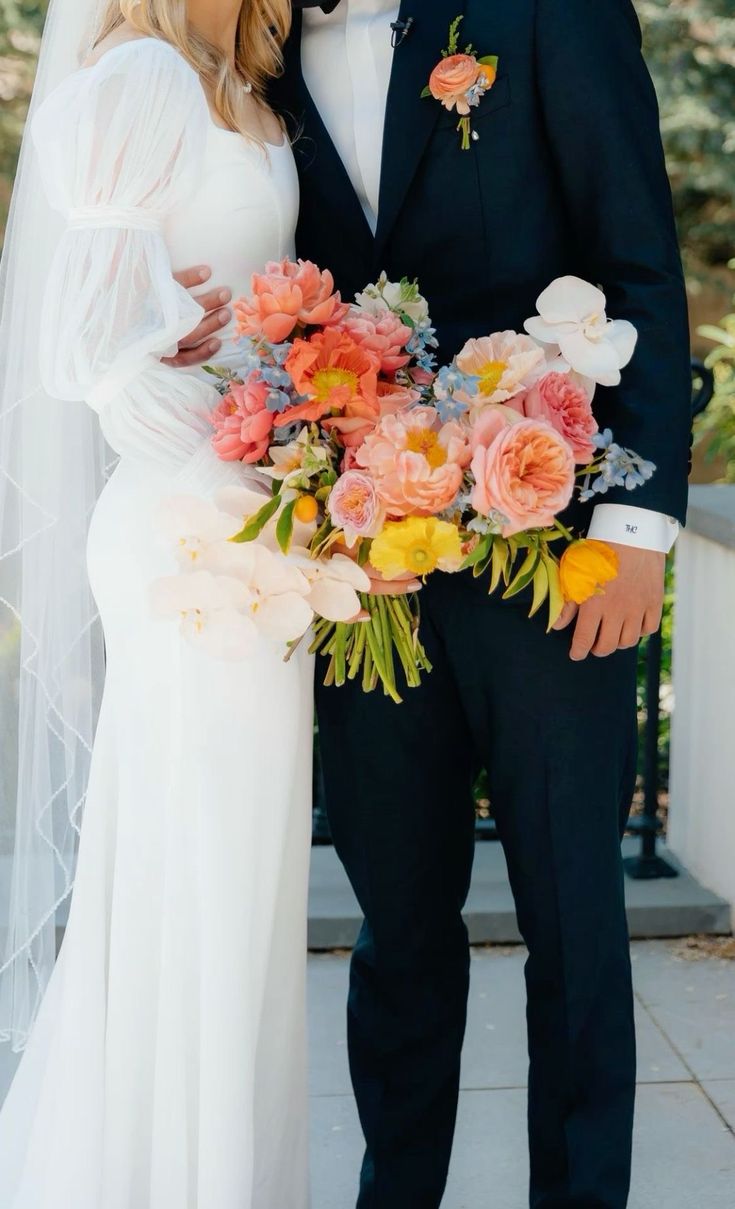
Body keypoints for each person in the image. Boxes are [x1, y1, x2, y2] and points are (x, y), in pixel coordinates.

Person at [266, 2, 690, 1207]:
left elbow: (639, 261)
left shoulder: (548, 12)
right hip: (366, 571)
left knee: (571, 925)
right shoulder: (257, 47)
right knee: (396, 930)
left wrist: (638, 526)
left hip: (554, 550)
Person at [0, 2, 316, 1206]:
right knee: (195, 867)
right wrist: (245, 472)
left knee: (243, 875)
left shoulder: (237, 81)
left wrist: (296, 482)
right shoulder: (133, 76)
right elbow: (73, 347)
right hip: (193, 527)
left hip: (258, 518)